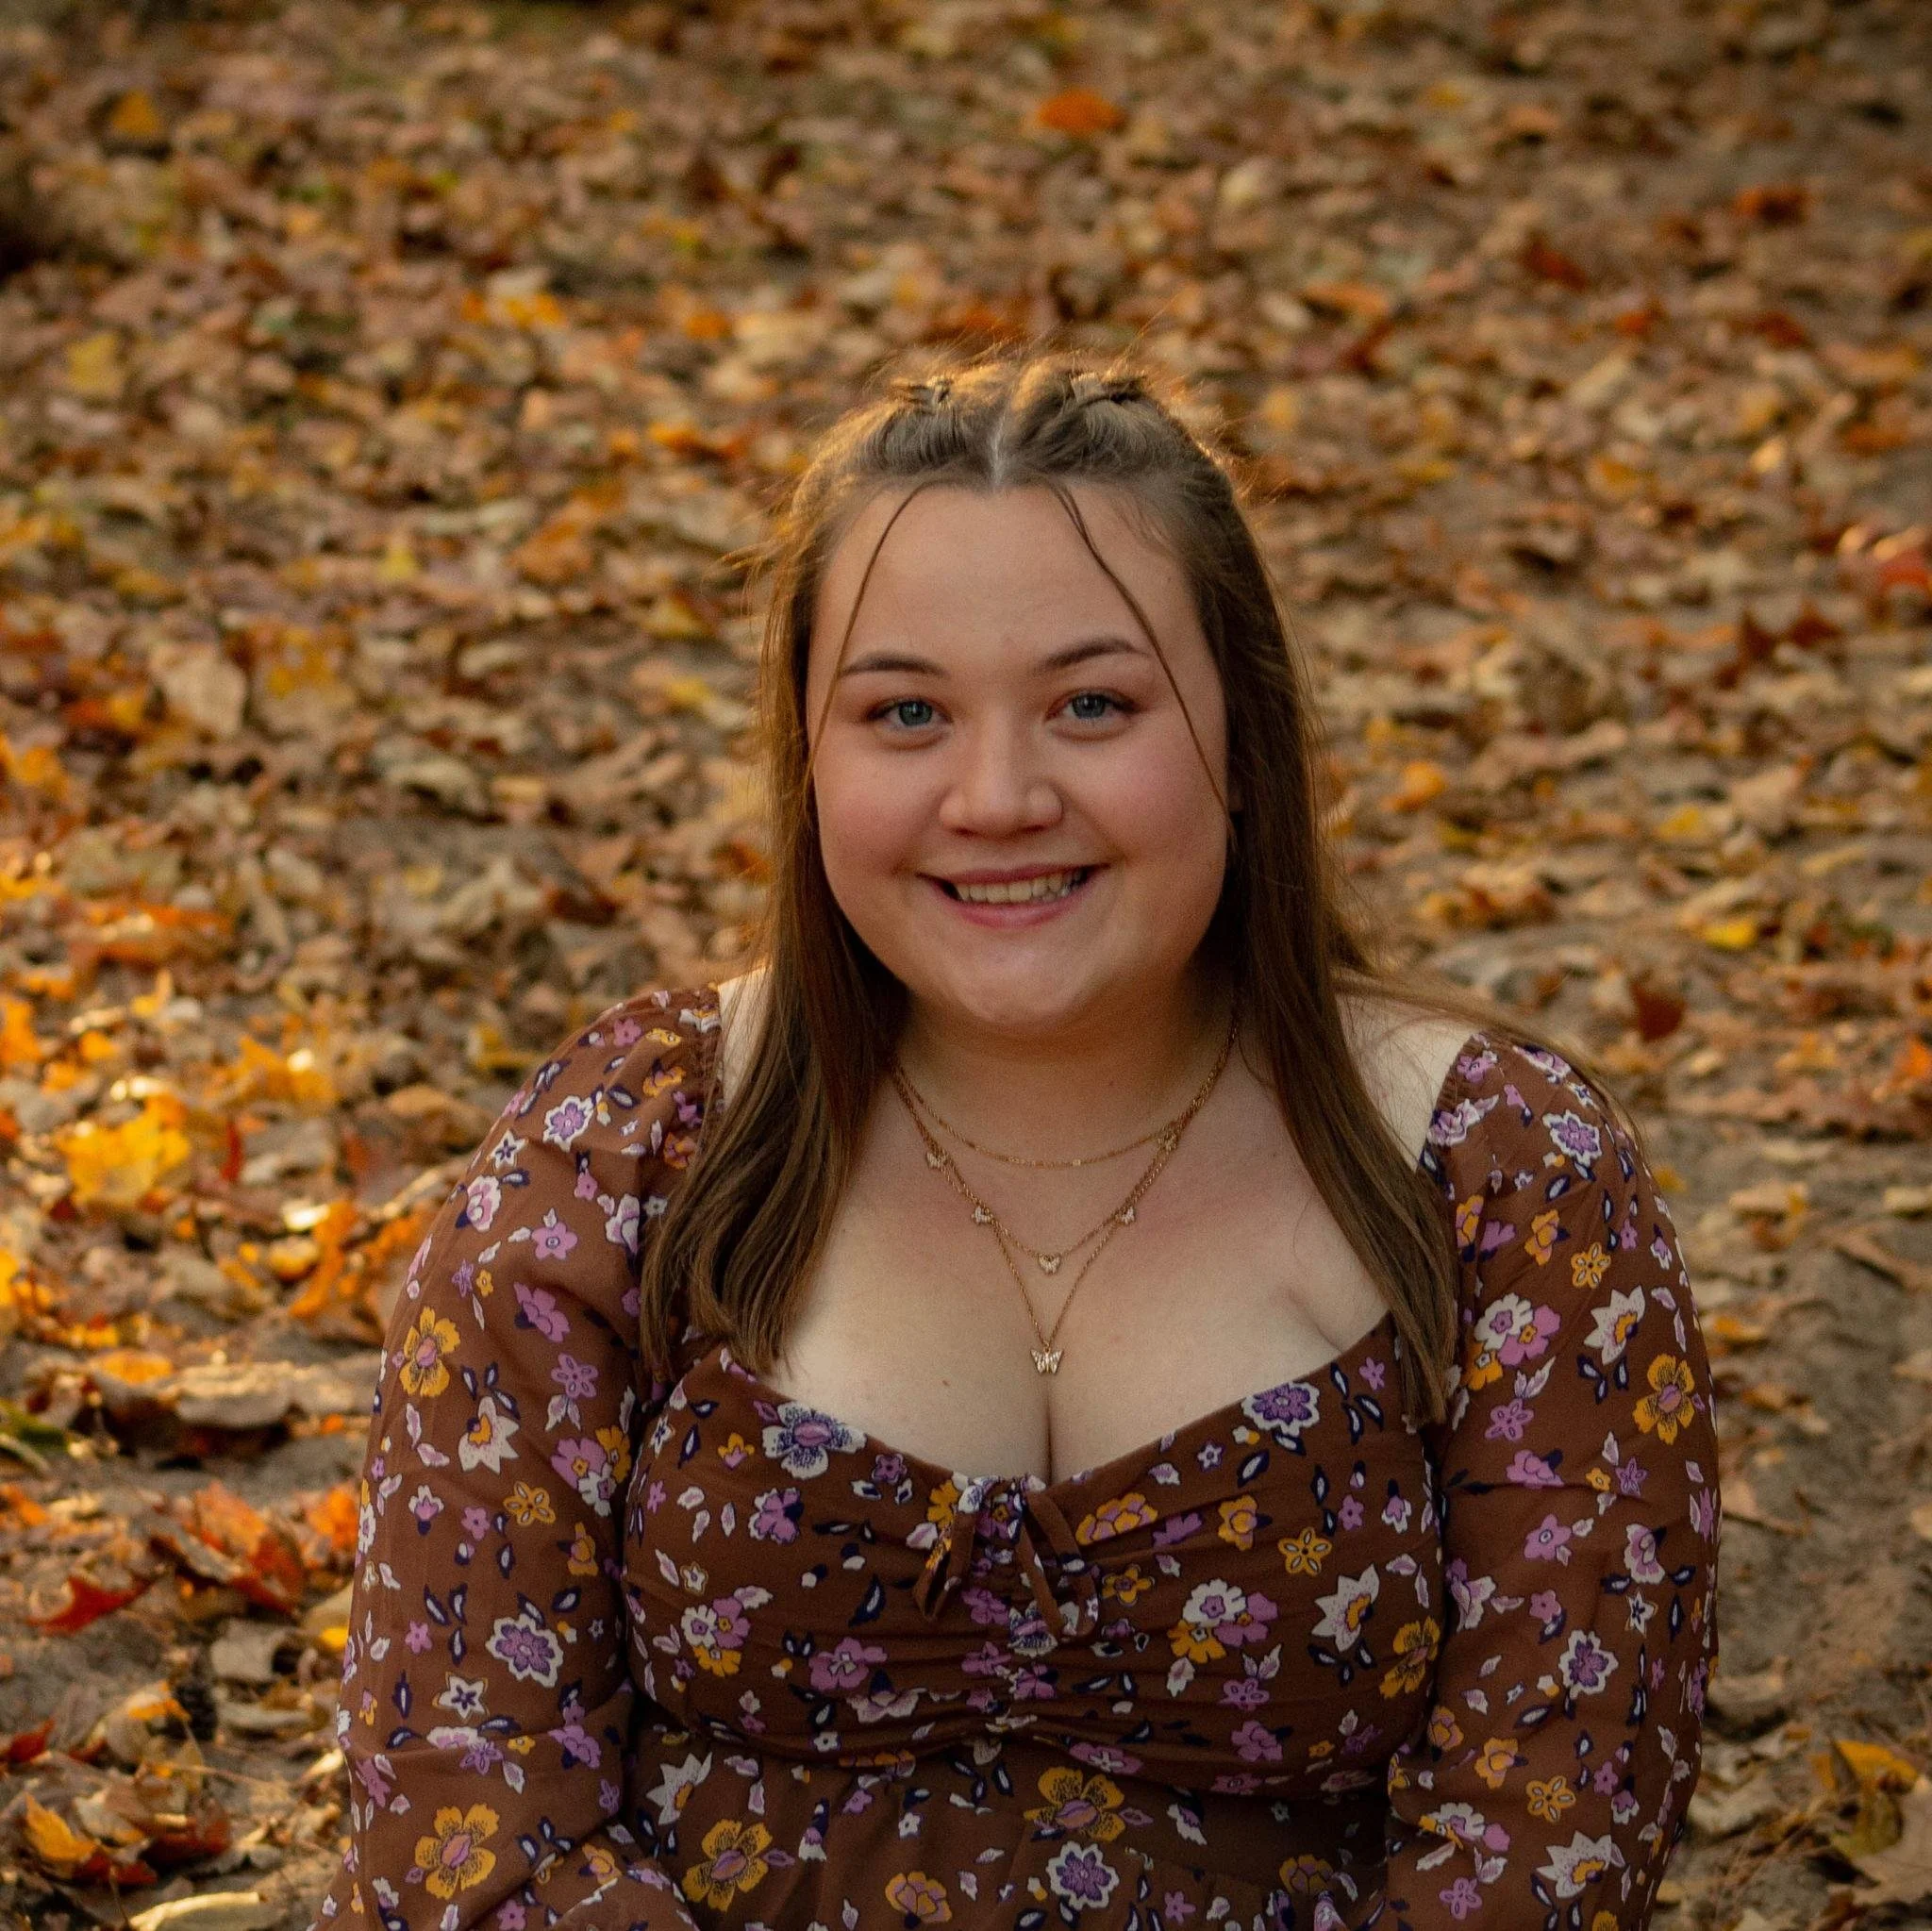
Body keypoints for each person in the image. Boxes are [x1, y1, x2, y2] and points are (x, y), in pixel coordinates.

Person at [309, 355, 1718, 1931]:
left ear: (1242, 740)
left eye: (1092, 704)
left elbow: (1549, 1839)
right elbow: (462, 1793)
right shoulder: (627, 1149)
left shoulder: (1501, 1173)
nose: (995, 795)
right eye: (905, 712)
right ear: (810, 758)